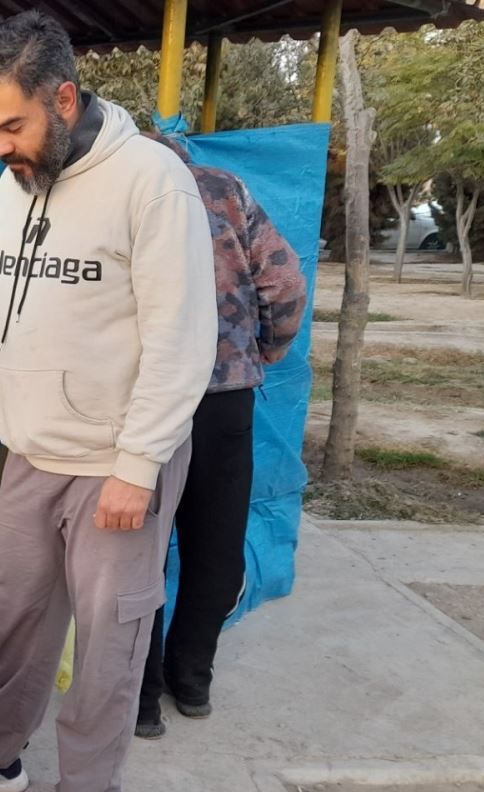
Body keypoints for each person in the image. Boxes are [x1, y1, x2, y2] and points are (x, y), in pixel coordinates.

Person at [0, 10, 216, 792]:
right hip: (30, 452)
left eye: (12, 126)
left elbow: (182, 340)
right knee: (16, 616)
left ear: (63, 99)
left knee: (107, 642)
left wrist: (138, 464)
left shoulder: (151, 184)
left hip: (114, 465)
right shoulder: (11, 189)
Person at [134, 135, 307, 739]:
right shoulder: (225, 191)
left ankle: (140, 700)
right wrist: (262, 350)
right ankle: (192, 681)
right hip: (222, 396)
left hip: (142, 402)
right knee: (214, 546)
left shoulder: (120, 190)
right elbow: (285, 283)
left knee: (137, 551)